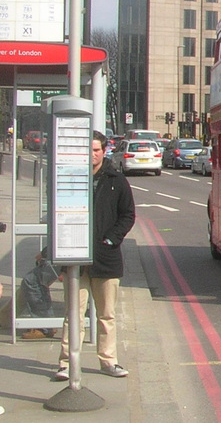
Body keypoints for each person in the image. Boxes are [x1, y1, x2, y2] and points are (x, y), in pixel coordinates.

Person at [55, 131, 136, 381]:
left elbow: (128, 215)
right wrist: (56, 255)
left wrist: (110, 239)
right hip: (75, 258)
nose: (91, 155)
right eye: (87, 150)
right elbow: (61, 216)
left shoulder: (116, 180)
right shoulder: (70, 178)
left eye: (96, 150)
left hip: (106, 257)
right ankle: (67, 364)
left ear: (104, 151)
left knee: (106, 315)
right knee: (73, 315)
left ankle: (108, 361)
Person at [18, 245, 61, 339]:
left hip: (65, 251)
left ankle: (44, 327)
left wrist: (45, 253)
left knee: (32, 281)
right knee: (37, 281)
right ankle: (47, 325)